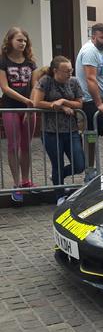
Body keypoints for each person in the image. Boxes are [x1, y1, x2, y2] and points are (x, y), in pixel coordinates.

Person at [32, 56, 85, 205]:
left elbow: (79, 104)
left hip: (71, 129)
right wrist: (57, 107)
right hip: (50, 130)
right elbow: (37, 102)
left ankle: (57, 178)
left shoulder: (74, 82)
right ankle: (59, 195)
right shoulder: (46, 81)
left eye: (71, 70)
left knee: (79, 164)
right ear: (55, 71)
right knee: (57, 164)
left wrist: (63, 101)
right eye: (66, 71)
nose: (70, 73)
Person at [0, 27, 37, 201]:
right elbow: (5, 88)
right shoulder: (3, 61)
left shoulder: (30, 62)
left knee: (26, 145)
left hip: (29, 108)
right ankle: (16, 184)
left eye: (24, 40)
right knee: (13, 146)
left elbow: (36, 85)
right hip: (11, 107)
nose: (22, 43)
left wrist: (33, 102)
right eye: (19, 40)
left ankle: (26, 180)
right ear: (10, 41)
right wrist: (25, 100)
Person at [75, 23, 103, 174]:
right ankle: (90, 170)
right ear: (94, 37)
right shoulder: (90, 51)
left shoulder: (101, 50)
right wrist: (99, 104)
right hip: (91, 102)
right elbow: (91, 79)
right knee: (91, 137)